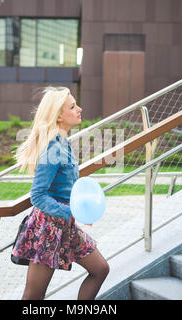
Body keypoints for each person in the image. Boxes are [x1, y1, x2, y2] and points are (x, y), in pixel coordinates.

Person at [12, 86, 109, 300]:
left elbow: (66, 188)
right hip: (48, 229)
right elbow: (37, 195)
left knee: (100, 269)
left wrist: (82, 209)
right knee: (33, 296)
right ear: (58, 115)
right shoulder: (52, 148)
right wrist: (71, 213)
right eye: (73, 106)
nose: (79, 109)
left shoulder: (63, 144)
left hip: (66, 225)